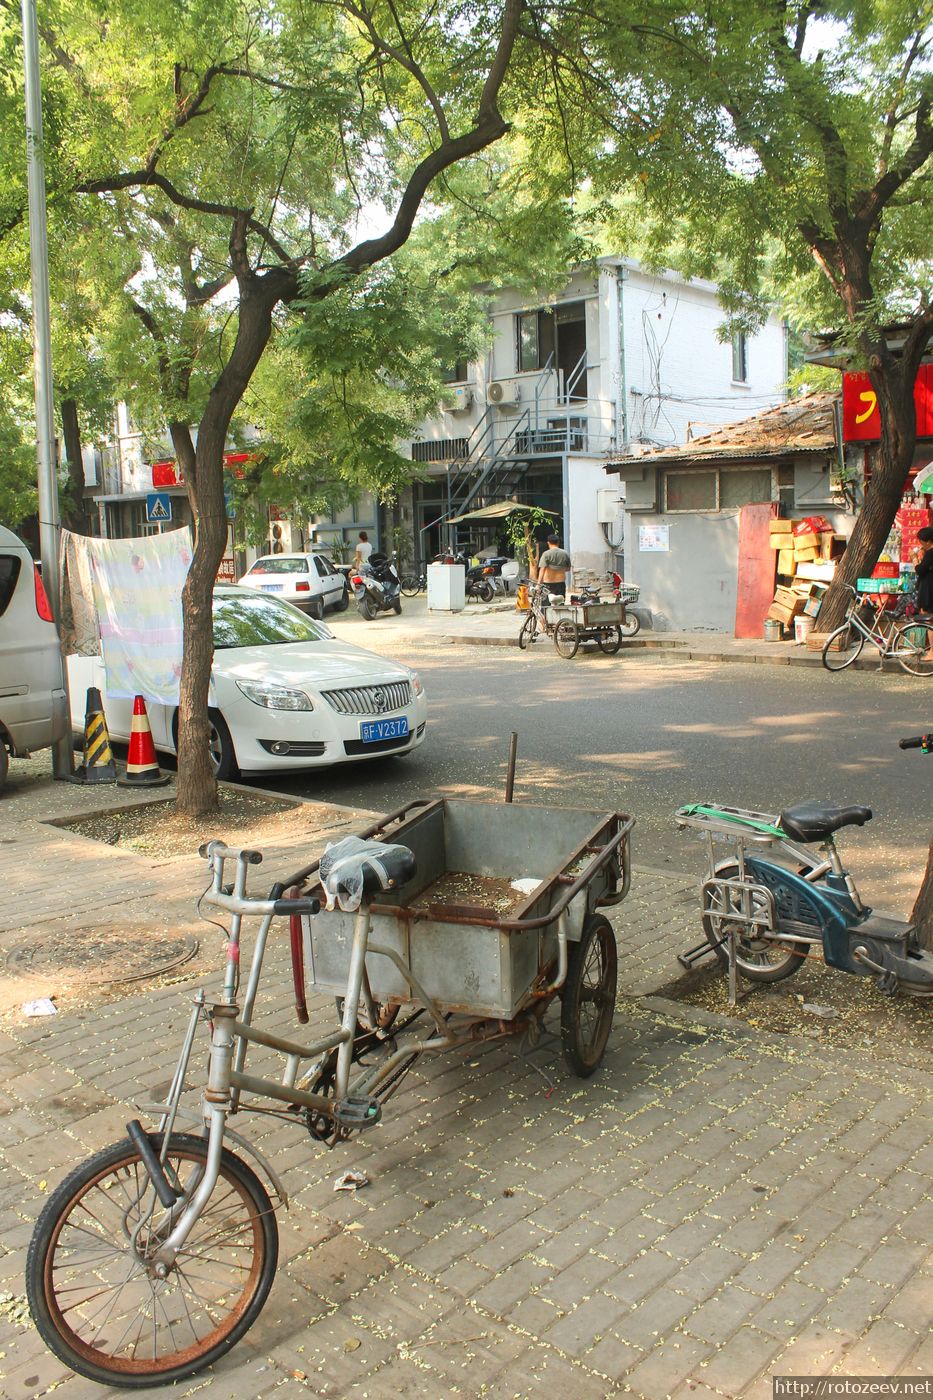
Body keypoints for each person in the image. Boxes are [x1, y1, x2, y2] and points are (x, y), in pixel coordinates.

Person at [536, 533, 572, 599]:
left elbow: (542, 570)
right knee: (560, 603)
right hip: (560, 583)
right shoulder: (565, 553)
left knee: (546, 604)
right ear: (558, 542)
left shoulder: (546, 554)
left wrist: (538, 584)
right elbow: (568, 569)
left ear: (548, 543)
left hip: (548, 584)